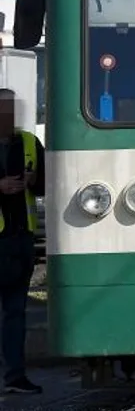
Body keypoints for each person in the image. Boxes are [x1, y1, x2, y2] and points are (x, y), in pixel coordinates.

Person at [0, 89, 42, 394]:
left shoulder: (29, 142)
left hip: (20, 241)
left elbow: (46, 183)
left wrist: (32, 182)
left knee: (16, 313)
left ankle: (15, 376)